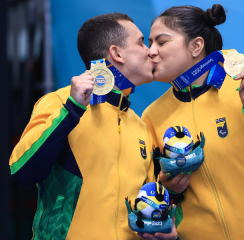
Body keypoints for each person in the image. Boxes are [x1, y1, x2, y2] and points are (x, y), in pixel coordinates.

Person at [141, 4, 244, 240]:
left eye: (161, 42)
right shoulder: (151, 116)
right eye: (149, 43)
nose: (151, 51)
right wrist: (170, 189)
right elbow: (157, 204)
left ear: (196, 46)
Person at [9, 13, 178, 240]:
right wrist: (73, 110)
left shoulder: (141, 127)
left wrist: (163, 229)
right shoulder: (61, 103)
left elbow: (144, 213)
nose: (150, 51)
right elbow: (22, 171)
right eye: (141, 42)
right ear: (116, 53)